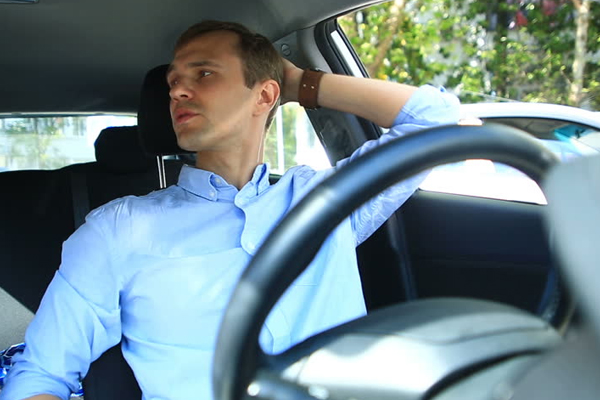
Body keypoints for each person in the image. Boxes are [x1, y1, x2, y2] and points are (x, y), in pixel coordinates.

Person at [0, 20, 459, 400]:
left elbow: (435, 122)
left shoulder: (326, 201)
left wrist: (300, 84)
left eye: (203, 74)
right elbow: (39, 377)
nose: (178, 91)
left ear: (264, 96)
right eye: (173, 82)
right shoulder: (117, 230)